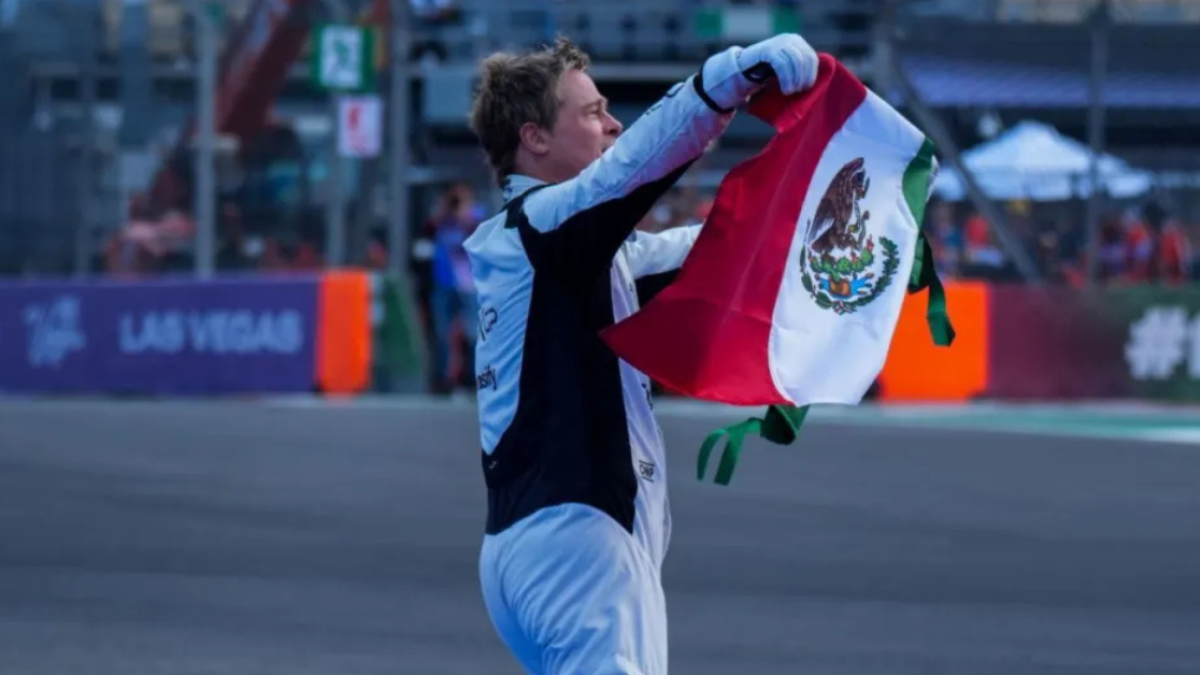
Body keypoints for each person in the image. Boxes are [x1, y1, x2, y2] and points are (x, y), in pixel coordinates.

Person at [463, 33, 818, 675]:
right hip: (578, 540)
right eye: (592, 111)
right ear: (534, 138)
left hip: (533, 546)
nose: (612, 123)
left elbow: (719, 250)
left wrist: (841, 212)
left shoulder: (548, 243)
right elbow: (632, 171)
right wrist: (723, 81)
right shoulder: (547, 227)